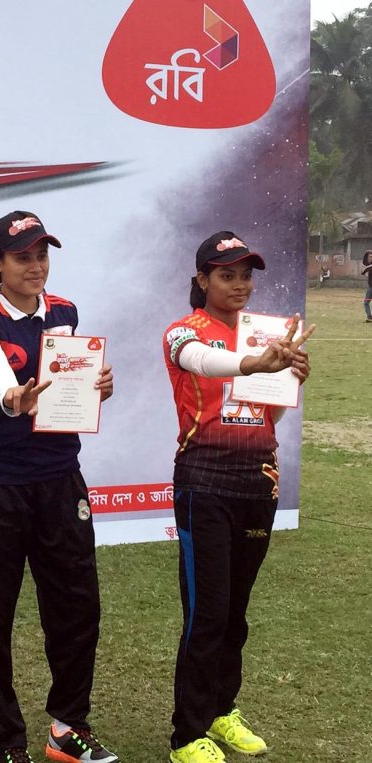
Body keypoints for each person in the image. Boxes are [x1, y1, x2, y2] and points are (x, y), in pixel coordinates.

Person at [0, 211, 119, 763]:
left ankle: (68, 729)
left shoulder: (65, 311)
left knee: (77, 607)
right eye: (22, 256)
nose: (35, 266)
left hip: (59, 478)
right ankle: (8, 745)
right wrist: (12, 396)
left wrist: (97, 388)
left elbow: (70, 387)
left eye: (42, 255)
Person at [162, 231, 314, 763]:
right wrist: (252, 365)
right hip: (204, 481)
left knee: (236, 611)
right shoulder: (184, 332)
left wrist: (290, 376)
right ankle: (187, 734)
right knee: (207, 611)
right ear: (203, 279)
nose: (240, 284)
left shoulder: (266, 334)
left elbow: (266, 413)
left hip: (258, 479)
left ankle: (222, 710)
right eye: (227, 275)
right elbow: (202, 361)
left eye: (246, 274)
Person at [361, 250, 372, 322]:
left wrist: (366, 253)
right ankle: (370, 317)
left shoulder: (370, 266)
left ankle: (369, 317)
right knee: (366, 302)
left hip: (371, 288)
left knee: (366, 303)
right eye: (370, 256)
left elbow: (362, 272)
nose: (370, 258)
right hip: (370, 288)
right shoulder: (369, 266)